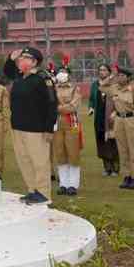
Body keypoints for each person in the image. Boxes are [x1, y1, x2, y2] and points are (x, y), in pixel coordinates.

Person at [3, 46, 58, 205]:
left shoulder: (43, 78)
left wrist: (49, 128)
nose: (21, 61)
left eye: (25, 58)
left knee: (39, 161)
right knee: (24, 160)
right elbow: (7, 72)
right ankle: (32, 190)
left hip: (37, 129)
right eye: (21, 59)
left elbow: (52, 104)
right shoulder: (20, 77)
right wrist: (10, 58)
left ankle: (43, 193)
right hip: (18, 126)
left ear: (34, 62)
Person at [101, 66, 134, 190]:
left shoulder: (133, 89)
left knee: (133, 150)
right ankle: (127, 176)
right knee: (122, 150)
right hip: (119, 120)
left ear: (128, 77)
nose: (120, 77)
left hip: (130, 119)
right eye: (118, 75)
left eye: (123, 76)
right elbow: (102, 87)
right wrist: (110, 77)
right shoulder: (114, 88)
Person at [53, 60, 83, 196]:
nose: (62, 74)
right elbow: (49, 104)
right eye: (60, 72)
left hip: (72, 123)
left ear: (69, 75)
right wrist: (60, 108)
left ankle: (73, 184)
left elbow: (73, 106)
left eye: (64, 72)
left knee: (73, 153)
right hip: (57, 123)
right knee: (60, 153)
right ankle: (63, 184)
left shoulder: (75, 88)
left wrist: (59, 108)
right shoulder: (53, 88)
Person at [88, 63, 120, 176]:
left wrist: (116, 112)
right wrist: (91, 108)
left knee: (112, 141)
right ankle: (106, 167)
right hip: (99, 117)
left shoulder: (114, 84)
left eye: (104, 70)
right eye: (100, 70)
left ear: (109, 72)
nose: (102, 72)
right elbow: (91, 99)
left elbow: (118, 99)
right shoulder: (95, 85)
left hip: (110, 116)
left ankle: (115, 167)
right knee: (101, 141)